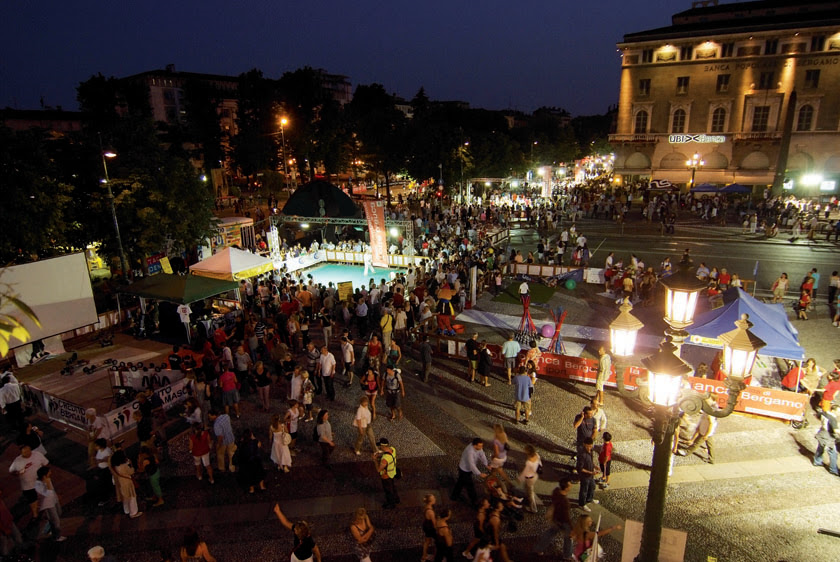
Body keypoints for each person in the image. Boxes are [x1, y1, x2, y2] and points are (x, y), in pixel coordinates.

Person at [535, 478, 574, 559]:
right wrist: (571, 528)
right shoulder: (565, 501)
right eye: (570, 485)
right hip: (563, 521)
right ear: (566, 488)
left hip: (555, 518)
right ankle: (567, 555)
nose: (571, 486)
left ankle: (539, 548)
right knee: (569, 538)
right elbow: (566, 517)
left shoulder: (556, 491)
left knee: (550, 533)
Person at [8, 443, 48, 519]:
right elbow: (11, 471)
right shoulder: (17, 461)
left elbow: (45, 464)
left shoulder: (37, 455)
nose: (27, 453)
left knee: (44, 497)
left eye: (28, 451)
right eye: (25, 452)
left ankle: (44, 511)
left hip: (39, 481)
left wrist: (44, 476)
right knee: (32, 500)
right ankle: (35, 514)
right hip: (27, 486)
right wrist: (18, 473)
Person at [450, 438, 489, 507]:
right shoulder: (469, 451)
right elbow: (472, 465)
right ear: (475, 445)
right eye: (480, 446)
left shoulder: (478, 448)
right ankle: (474, 501)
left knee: (460, 483)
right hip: (464, 470)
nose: (481, 448)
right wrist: (479, 473)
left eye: (481, 446)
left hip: (468, 470)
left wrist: (486, 464)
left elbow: (482, 455)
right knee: (470, 486)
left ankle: (454, 496)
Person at [34, 466, 66, 541]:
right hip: (48, 505)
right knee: (56, 520)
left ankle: (48, 529)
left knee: (59, 513)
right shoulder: (37, 485)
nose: (50, 473)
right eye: (49, 472)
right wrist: (48, 484)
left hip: (54, 501)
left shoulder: (48, 479)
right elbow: (48, 494)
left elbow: (52, 491)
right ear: (44, 475)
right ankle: (57, 536)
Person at [109, 449, 142, 518]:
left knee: (125, 498)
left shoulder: (115, 466)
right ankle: (133, 512)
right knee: (132, 497)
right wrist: (131, 465)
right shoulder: (124, 466)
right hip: (128, 482)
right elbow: (131, 471)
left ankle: (126, 510)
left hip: (121, 482)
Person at [813, 401, 838, 476]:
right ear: (833, 410)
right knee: (833, 453)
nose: (839, 413)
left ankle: (817, 461)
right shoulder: (833, 419)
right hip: (828, 437)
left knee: (820, 447)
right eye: (838, 412)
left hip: (822, 433)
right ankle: (833, 470)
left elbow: (817, 415)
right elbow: (836, 430)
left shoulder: (824, 413)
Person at [375, 438, 400, 509]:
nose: (379, 447)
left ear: (383, 446)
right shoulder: (393, 449)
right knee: (393, 487)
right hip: (392, 472)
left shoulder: (385, 459)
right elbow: (389, 457)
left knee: (388, 490)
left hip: (386, 476)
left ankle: (391, 504)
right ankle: (396, 499)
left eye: (380, 446)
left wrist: (375, 460)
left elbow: (378, 469)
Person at [576, 437, 600, 511]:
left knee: (592, 486)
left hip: (591, 474)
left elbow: (590, 461)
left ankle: (589, 499)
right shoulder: (582, 455)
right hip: (585, 476)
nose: (589, 448)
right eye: (588, 446)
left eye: (590, 446)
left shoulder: (591, 451)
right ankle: (582, 504)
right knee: (584, 490)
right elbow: (580, 468)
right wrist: (591, 472)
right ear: (584, 445)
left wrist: (595, 466)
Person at [519, 444, 542, 513]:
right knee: (527, 488)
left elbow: (525, 472)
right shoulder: (537, 455)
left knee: (530, 492)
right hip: (535, 476)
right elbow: (540, 464)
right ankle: (529, 497)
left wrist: (520, 479)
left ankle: (533, 508)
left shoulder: (529, 462)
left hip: (529, 478)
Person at [421, 494, 438, 562]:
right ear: (430, 501)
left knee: (427, 541)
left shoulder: (426, 507)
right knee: (437, 542)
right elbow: (434, 524)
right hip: (431, 528)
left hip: (426, 526)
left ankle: (424, 556)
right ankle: (436, 557)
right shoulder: (431, 512)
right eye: (434, 498)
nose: (435, 499)